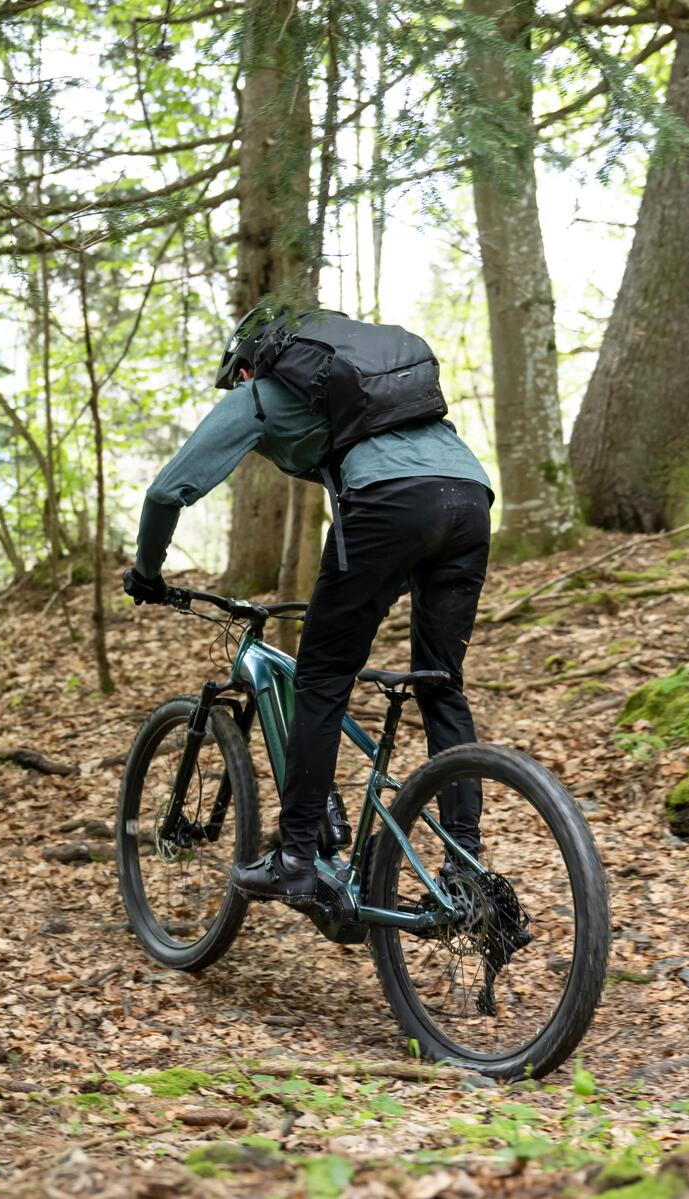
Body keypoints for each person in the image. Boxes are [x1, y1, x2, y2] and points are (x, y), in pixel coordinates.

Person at [124, 308, 495, 901]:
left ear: (246, 367)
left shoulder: (259, 395)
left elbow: (168, 489)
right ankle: (465, 864)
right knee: (442, 684)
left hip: (389, 504)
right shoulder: (373, 397)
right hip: (469, 495)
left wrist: (146, 572)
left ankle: (295, 857)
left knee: (322, 679)